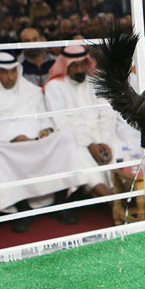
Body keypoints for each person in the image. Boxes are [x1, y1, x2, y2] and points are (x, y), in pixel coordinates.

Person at [0, 53, 81, 233]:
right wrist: (14, 137)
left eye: (13, 72)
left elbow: (44, 117)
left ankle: (61, 203)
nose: (10, 77)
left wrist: (45, 129)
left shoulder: (31, 91)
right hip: (8, 146)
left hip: (38, 141)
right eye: (3, 73)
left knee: (67, 137)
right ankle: (23, 211)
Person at [43, 46, 116, 201]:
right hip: (75, 138)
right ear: (65, 65)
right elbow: (61, 122)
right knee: (80, 158)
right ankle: (113, 202)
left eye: (82, 64)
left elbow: (107, 113)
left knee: (120, 150)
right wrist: (90, 144)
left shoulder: (95, 81)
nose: (79, 69)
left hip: (102, 133)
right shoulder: (54, 86)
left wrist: (103, 140)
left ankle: (128, 200)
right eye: (74, 66)